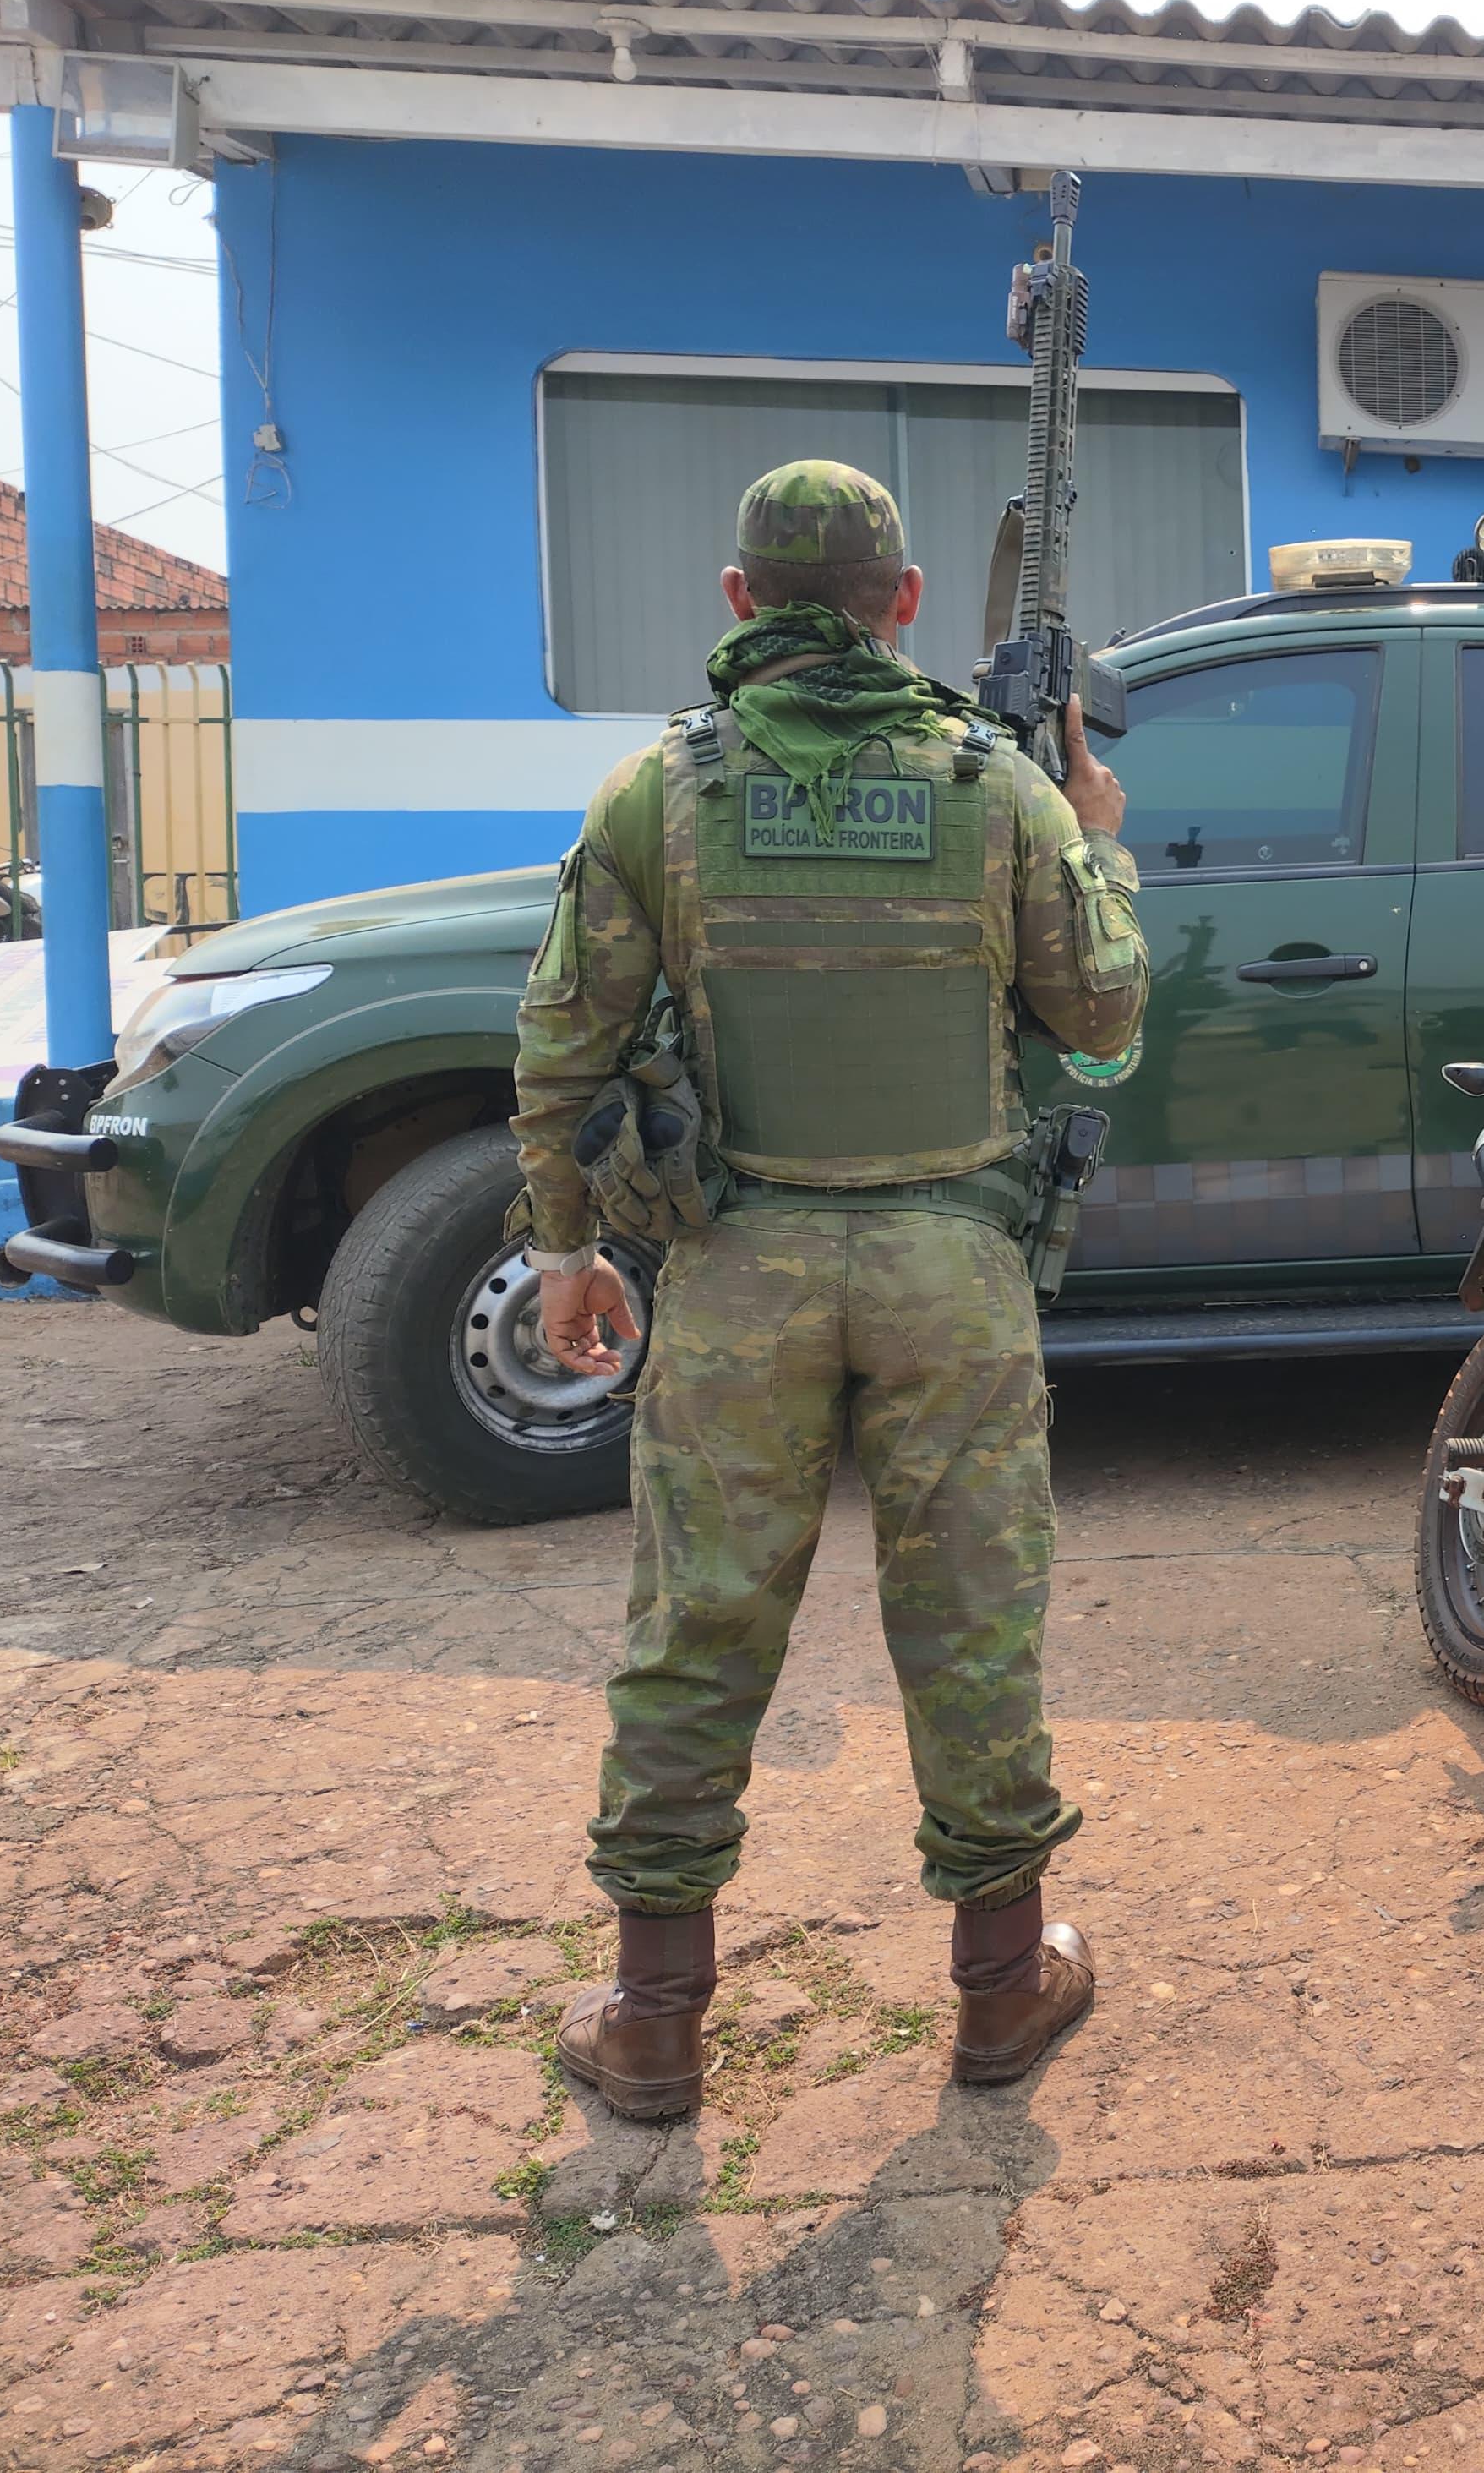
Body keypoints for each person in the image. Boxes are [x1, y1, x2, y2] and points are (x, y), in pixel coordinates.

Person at [513, 459, 1150, 2119]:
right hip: (950, 1269)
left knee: (697, 1627)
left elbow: (561, 1043)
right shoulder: (998, 785)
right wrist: (1100, 846)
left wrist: (568, 1249)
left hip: (740, 1272)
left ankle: (656, 2020)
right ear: (907, 602)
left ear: (737, 602)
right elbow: (1101, 1013)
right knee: (972, 1624)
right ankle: (1005, 1991)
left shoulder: (657, 791)